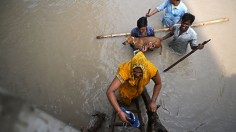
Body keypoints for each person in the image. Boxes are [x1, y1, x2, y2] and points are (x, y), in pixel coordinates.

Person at [106, 51, 162, 123]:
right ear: (132, 68)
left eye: (140, 72)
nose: (137, 75)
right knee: (125, 101)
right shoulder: (126, 70)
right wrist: (119, 111)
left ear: (145, 70)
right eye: (135, 71)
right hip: (126, 91)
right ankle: (125, 104)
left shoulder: (151, 69)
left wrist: (153, 101)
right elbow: (110, 91)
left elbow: (158, 84)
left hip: (139, 89)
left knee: (137, 95)